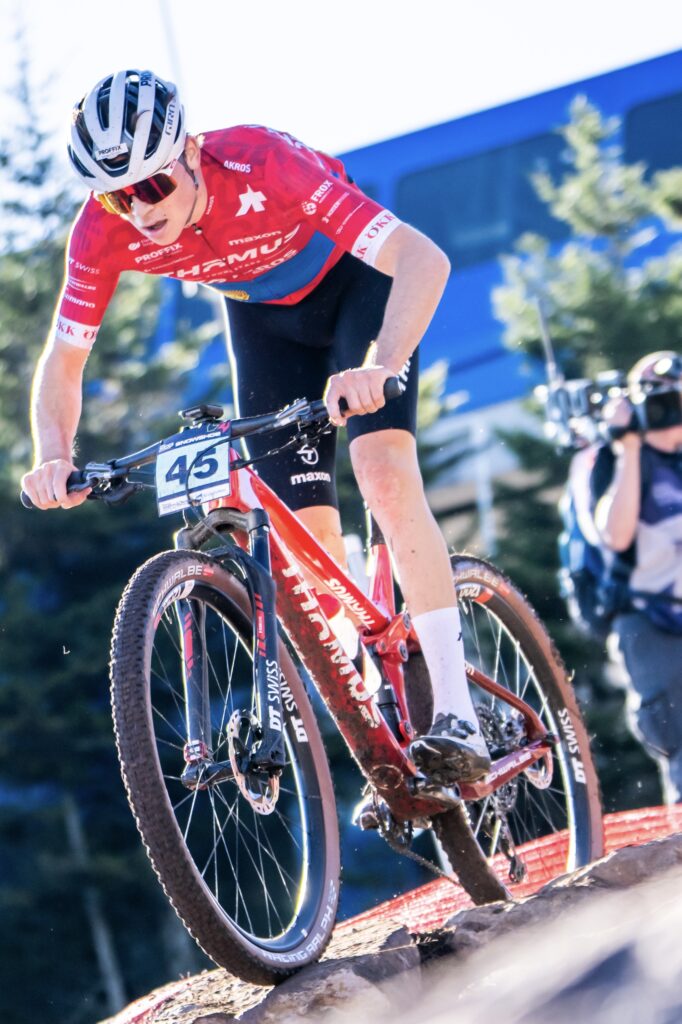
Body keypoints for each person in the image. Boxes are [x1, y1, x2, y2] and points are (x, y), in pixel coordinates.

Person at [21, 69, 490, 784]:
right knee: (306, 539)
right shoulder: (100, 231)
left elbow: (422, 258)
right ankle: (384, 730)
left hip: (358, 288)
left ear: (189, 153)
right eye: (118, 195)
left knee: (382, 475)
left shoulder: (261, 162)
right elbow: (65, 359)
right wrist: (54, 455)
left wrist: (381, 364)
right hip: (265, 324)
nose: (140, 209)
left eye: (153, 185)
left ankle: (458, 715)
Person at [589, 351, 682, 804]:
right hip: (647, 617)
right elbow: (615, 535)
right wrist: (627, 446)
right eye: (658, 399)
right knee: (676, 736)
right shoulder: (615, 457)